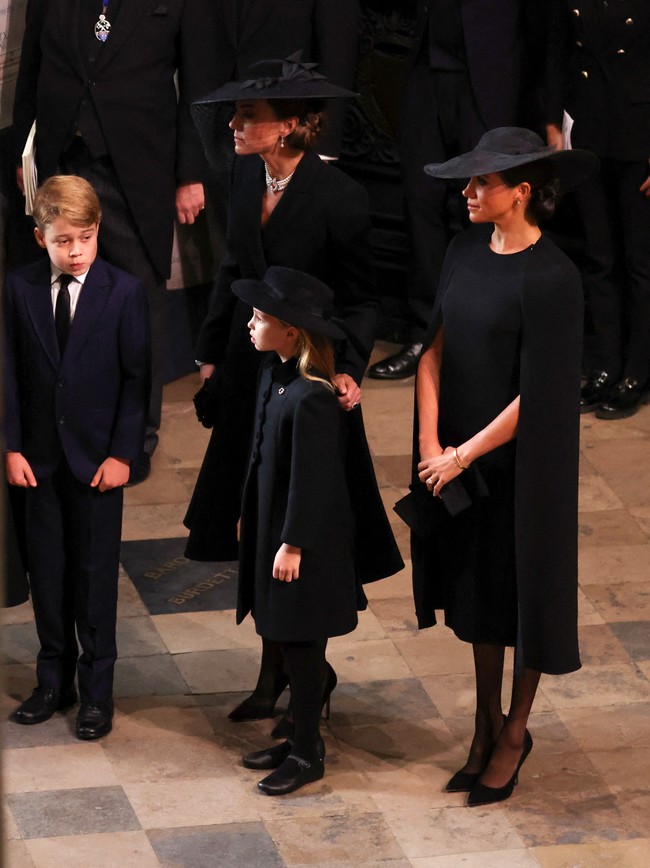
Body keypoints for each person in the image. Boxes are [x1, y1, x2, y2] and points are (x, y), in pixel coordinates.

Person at [185, 57, 402, 725]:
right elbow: (233, 268)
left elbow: (364, 300)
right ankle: (269, 672)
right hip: (251, 370)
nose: (234, 124)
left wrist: (346, 366)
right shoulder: (244, 172)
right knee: (251, 523)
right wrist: (212, 353)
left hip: (309, 381)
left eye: (247, 117)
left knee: (296, 527)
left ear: (289, 128)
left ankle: (304, 675)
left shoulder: (339, 198)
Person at [410, 128, 598, 805]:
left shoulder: (554, 277)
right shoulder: (463, 252)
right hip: (459, 453)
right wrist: (433, 445)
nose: (467, 193)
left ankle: (514, 730)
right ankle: (484, 720)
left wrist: (463, 454)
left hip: (522, 464)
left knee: (522, 591)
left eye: (481, 183)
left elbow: (541, 394)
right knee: (476, 592)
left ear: (521, 193)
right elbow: (430, 351)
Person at [11, 0, 215, 482]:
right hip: (61, 158)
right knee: (59, 300)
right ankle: (67, 430)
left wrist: (190, 174)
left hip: (138, 168)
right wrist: (25, 155)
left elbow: (200, 89)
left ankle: (134, 441)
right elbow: (32, 68)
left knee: (137, 300)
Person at [230, 266, 398, 795]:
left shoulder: (314, 397)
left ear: (292, 332)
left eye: (260, 318)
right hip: (274, 531)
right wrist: (249, 513)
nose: (250, 325)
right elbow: (262, 455)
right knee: (284, 636)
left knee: (301, 645)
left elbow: (314, 480)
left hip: (304, 545)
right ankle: (300, 734)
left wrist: (293, 541)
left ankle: (307, 754)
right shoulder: (275, 377)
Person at [3, 175, 150, 739]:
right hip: (37, 462)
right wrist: (12, 445)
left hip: (97, 466)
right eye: (63, 240)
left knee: (93, 579)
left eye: (85, 237)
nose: (76, 250)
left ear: (96, 232)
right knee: (49, 574)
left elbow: (139, 383)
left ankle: (96, 692)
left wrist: (123, 456)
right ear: (41, 238)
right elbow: (10, 375)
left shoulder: (124, 292)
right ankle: (52, 681)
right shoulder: (18, 290)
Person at [368, 0, 527, 380]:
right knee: (420, 203)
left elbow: (542, 29)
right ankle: (426, 336)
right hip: (427, 70)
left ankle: (482, 336)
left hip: (490, 78)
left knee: (485, 208)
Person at [545, 0, 650, 419]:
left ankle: (638, 371)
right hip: (586, 126)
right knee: (599, 257)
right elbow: (555, 53)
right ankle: (605, 365)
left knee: (640, 263)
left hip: (639, 133)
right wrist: (552, 122)